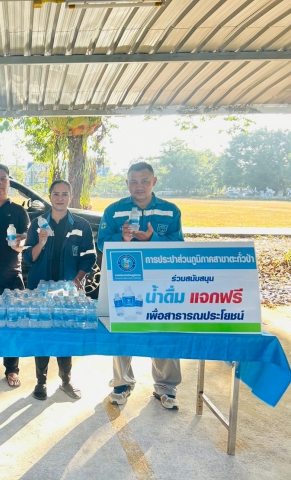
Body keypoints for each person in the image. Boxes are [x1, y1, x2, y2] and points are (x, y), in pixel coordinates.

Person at [97, 161, 184, 410]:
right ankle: (122, 383)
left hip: (160, 282)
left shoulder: (170, 211)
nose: (139, 186)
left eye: (145, 181)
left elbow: (179, 245)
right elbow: (102, 243)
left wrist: (152, 239)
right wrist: (122, 238)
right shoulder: (114, 211)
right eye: (134, 182)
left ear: (154, 182)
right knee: (122, 327)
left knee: (163, 328)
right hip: (125, 279)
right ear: (127, 184)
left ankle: (166, 387)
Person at [23, 180, 96, 401]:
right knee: (42, 333)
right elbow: (28, 257)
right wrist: (41, 242)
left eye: (65, 194)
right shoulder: (38, 223)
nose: (60, 198)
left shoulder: (81, 225)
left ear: (70, 196)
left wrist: (78, 279)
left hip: (67, 291)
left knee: (66, 333)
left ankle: (65, 381)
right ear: (50, 196)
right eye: (56, 194)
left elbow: (89, 258)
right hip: (40, 289)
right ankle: (41, 381)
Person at [0, 163, 29, 388]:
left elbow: (26, 239)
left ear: (9, 182)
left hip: (12, 275)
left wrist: (21, 242)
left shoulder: (19, 211)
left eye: (3, 178)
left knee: (14, 324)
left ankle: (12, 368)